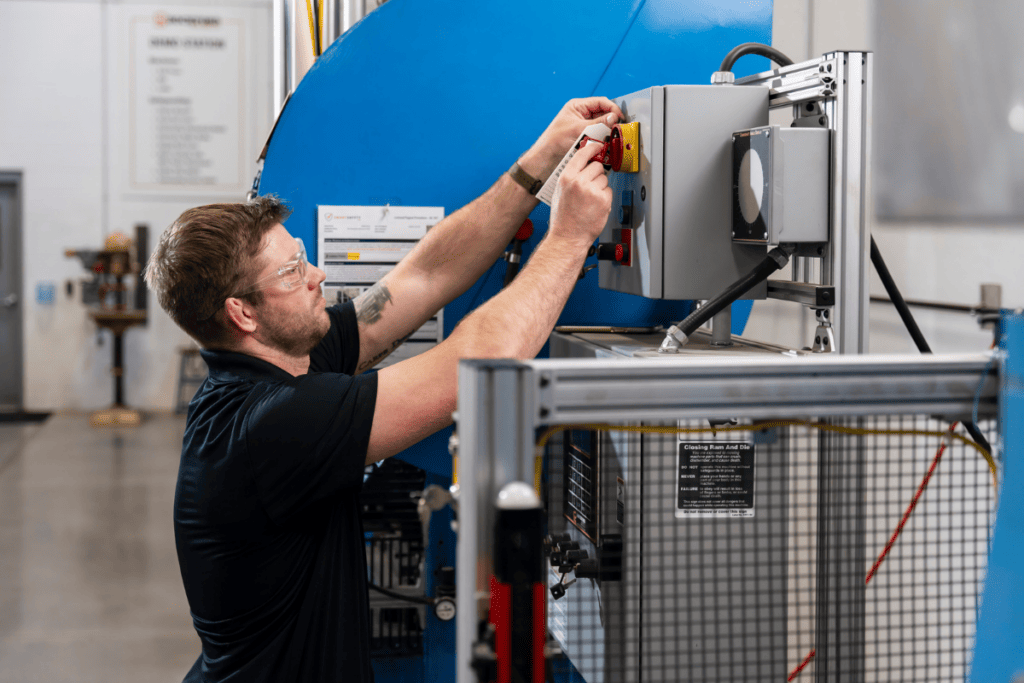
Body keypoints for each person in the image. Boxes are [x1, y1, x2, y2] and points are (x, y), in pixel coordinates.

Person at [144, 96, 622, 682]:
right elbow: (480, 360)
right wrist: (571, 235)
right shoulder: (272, 423)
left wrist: (541, 162)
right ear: (242, 313)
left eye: (302, 258)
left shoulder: (289, 360)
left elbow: (425, 275)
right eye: (293, 272)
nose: (317, 275)